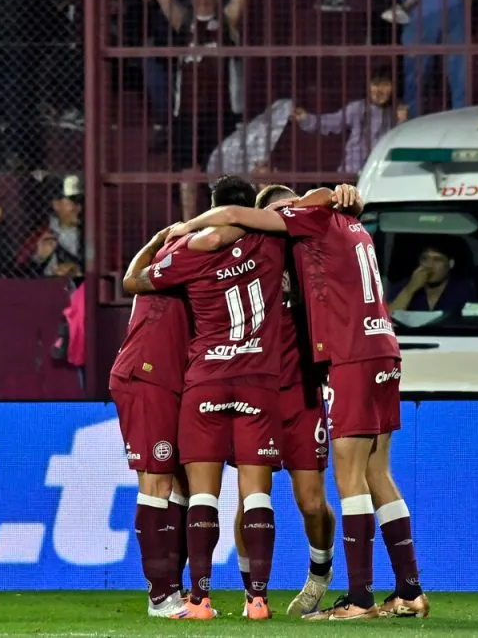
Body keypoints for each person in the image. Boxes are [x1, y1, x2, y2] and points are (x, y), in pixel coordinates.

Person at [169, 185, 429, 621]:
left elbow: (298, 201)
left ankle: (359, 598)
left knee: (343, 484)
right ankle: (408, 589)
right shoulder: (341, 228)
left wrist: (186, 227)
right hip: (378, 348)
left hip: (345, 359)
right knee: (373, 472)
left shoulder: (307, 222)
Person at [123, 176, 285, 621]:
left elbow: (132, 281)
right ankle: (237, 600)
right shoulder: (272, 243)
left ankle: (196, 597)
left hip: (200, 379)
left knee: (194, 491)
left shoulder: (189, 249)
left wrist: (168, 235)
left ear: (212, 206)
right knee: (240, 492)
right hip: (215, 377)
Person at [231, 184, 345, 618]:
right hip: (253, 392)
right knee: (251, 500)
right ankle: (252, 593)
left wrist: (336, 195)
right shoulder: (242, 259)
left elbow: (327, 202)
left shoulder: (312, 257)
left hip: (302, 392)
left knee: (312, 502)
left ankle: (320, 574)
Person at [109, 228, 193, 619]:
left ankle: (174, 588)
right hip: (146, 378)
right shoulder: (174, 265)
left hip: (172, 382)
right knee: (156, 481)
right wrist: (160, 239)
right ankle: (160, 596)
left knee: (181, 483)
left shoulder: (183, 266)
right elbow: (131, 279)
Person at [387, 242, 476, 313]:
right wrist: (410, 289)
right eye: (425, 259)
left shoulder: (463, 289)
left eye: (437, 260)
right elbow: (385, 321)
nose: (429, 265)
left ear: (451, 264)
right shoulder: (402, 286)